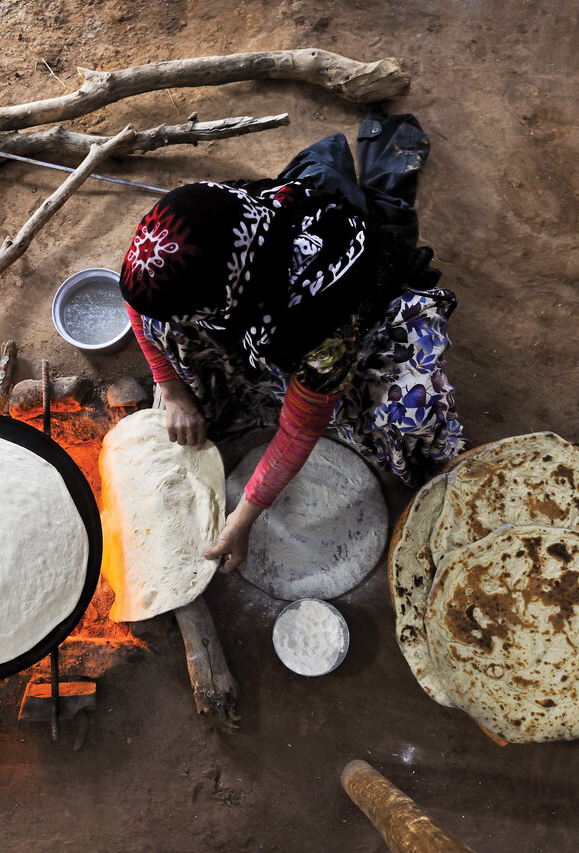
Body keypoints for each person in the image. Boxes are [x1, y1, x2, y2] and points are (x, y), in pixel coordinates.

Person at [118, 106, 466, 573]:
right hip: (291, 231)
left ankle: (384, 183)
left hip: (361, 291)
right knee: (166, 328)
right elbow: (142, 303)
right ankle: (339, 171)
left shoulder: (323, 324)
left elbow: (301, 428)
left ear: (227, 298)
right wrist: (172, 388)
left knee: (406, 413)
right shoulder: (209, 224)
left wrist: (243, 518)